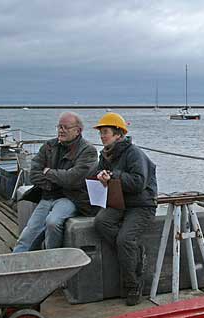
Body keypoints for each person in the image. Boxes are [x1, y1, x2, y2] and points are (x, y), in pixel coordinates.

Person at [92, 112, 157, 305]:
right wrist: (100, 176)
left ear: (118, 134)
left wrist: (113, 176)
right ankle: (134, 251)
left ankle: (133, 284)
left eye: (106, 132)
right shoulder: (105, 154)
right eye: (101, 133)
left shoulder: (133, 153)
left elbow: (138, 182)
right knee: (101, 222)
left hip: (142, 204)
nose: (102, 136)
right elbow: (99, 173)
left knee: (124, 239)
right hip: (120, 202)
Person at [13, 111, 98, 252]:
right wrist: (55, 181)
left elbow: (74, 179)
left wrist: (49, 172)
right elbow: (34, 174)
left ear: (78, 131)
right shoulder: (49, 146)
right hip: (47, 195)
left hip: (71, 198)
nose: (61, 130)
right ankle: (14, 264)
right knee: (28, 234)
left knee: (53, 222)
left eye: (65, 127)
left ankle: (51, 258)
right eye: (59, 127)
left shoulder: (88, 151)